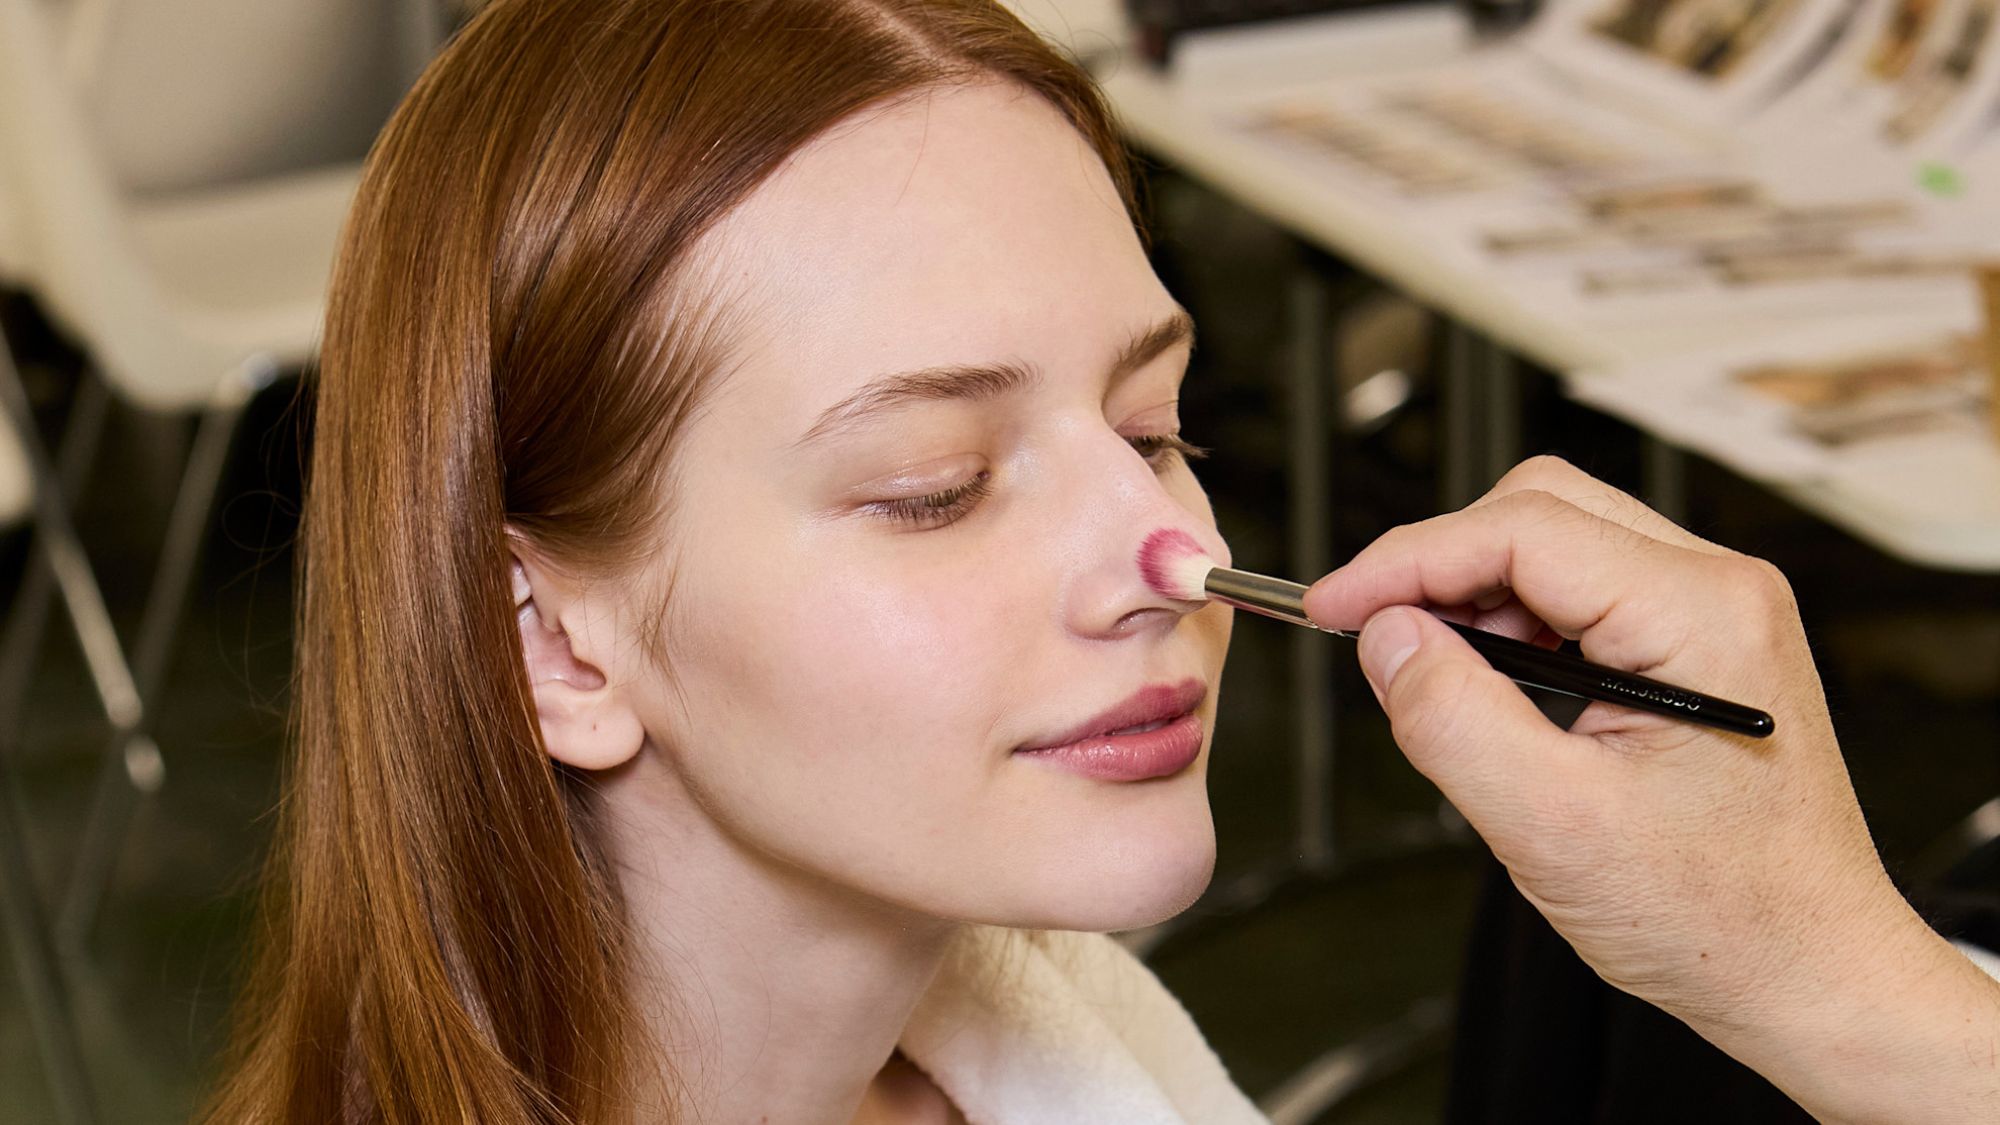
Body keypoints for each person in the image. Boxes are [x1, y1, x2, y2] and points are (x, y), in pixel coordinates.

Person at [197, 1, 1998, 1123]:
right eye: (934, 484)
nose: (1170, 546)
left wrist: (1847, 988)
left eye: (1151, 426)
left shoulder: (1062, 1049)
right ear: (552, 647)